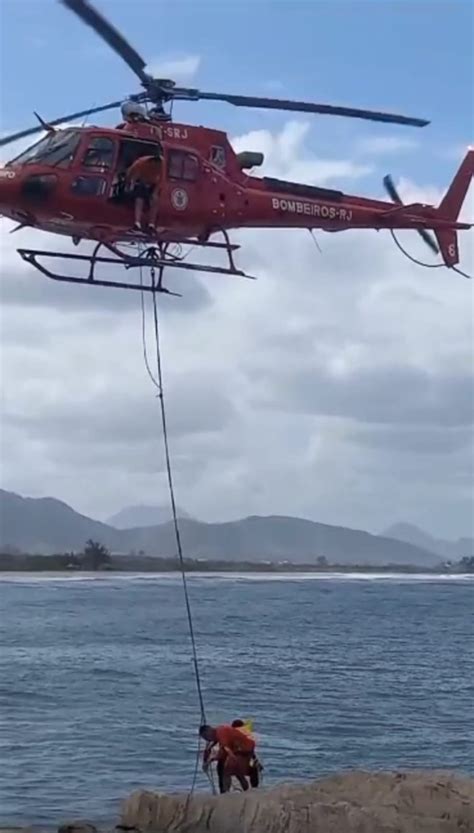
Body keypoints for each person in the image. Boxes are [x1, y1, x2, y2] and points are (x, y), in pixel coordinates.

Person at [200, 723, 257, 794]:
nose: (207, 740)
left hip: (244, 748)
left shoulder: (221, 733)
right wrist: (206, 759)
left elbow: (224, 751)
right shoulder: (218, 731)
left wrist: (210, 761)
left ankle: (227, 793)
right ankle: (246, 791)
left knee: (227, 771)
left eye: (206, 737)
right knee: (236, 771)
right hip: (241, 747)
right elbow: (213, 745)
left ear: (209, 732)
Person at [124, 146, 163, 233]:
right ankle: (137, 223)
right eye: (153, 164)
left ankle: (151, 225)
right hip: (142, 182)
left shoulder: (163, 166)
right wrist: (128, 185)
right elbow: (130, 174)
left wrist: (155, 192)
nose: (154, 167)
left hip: (154, 184)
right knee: (139, 197)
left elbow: (162, 181)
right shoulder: (141, 163)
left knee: (155, 200)